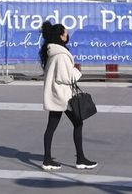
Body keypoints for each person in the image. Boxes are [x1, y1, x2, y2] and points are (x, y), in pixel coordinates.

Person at [39, 21, 96, 171]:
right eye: (66, 33)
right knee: (78, 123)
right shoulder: (62, 55)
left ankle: (47, 160)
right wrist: (77, 71)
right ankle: (81, 159)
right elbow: (66, 77)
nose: (67, 35)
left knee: (51, 127)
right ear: (60, 36)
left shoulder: (51, 52)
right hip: (63, 96)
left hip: (55, 95)